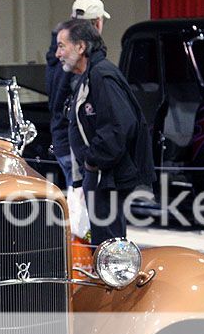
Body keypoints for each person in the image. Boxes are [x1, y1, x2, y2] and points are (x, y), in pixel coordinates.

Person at [55, 18, 154, 245]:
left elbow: (119, 125)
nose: (57, 54)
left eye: (62, 46)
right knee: (102, 240)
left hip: (106, 176)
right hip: (99, 175)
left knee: (108, 243)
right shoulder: (89, 75)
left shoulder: (101, 75)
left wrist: (93, 161)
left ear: (81, 47)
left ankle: (111, 281)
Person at [45, 0, 110, 188]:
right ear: (97, 23)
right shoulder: (81, 59)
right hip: (77, 146)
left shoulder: (57, 53)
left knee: (76, 204)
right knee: (84, 209)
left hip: (61, 139)